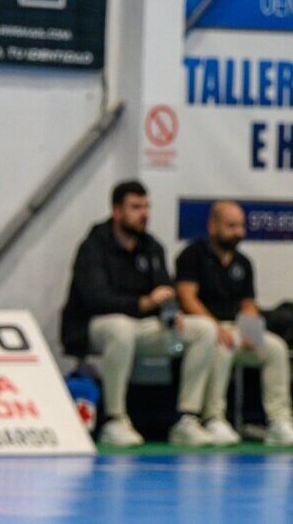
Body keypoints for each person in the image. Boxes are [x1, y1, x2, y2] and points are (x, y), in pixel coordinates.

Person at [61, 180, 218, 447]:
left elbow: (165, 288)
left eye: (146, 207)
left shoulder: (151, 247)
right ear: (117, 211)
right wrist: (144, 303)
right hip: (93, 328)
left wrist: (171, 312)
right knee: (120, 328)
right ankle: (115, 419)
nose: (144, 213)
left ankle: (187, 419)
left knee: (203, 330)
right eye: (135, 207)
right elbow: (96, 300)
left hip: (141, 328)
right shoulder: (93, 246)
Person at [176, 201, 293, 447]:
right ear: (212, 226)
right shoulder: (192, 254)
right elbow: (187, 297)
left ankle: (280, 421)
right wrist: (217, 327)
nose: (239, 232)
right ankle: (214, 417)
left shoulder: (243, 263)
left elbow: (248, 304)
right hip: (204, 327)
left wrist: (251, 331)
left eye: (241, 226)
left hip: (236, 327)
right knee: (224, 341)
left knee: (275, 347)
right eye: (231, 226)